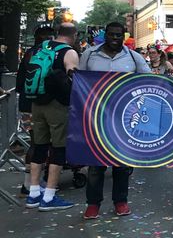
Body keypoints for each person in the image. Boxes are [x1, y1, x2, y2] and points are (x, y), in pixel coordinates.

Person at [79, 22, 151, 219]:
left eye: (118, 35)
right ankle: (93, 204)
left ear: (123, 36)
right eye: (111, 34)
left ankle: (121, 201)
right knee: (96, 163)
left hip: (123, 118)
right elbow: (79, 81)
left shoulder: (133, 57)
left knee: (121, 163)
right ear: (106, 34)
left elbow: (149, 81)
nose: (115, 38)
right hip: (94, 116)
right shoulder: (90, 54)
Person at [25, 23, 79, 212]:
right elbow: (74, 77)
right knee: (58, 148)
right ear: (74, 35)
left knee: (39, 146)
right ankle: (49, 196)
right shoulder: (69, 52)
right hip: (57, 106)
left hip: (37, 103)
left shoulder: (41, 48)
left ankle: (33, 194)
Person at [17, 25, 54, 197]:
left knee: (36, 143)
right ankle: (30, 185)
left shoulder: (29, 54)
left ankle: (31, 183)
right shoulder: (42, 56)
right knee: (37, 143)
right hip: (38, 104)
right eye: (45, 37)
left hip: (27, 104)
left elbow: (21, 83)